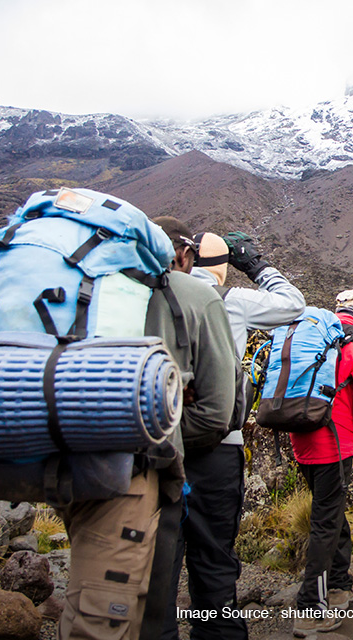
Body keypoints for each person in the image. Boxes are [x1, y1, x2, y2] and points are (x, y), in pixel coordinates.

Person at [59, 218, 236, 640]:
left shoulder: (90, 291)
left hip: (87, 463)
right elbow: (217, 413)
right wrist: (166, 420)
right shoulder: (198, 296)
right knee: (192, 577)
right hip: (167, 466)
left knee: (111, 589)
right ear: (184, 254)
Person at [151, 225, 305, 640]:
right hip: (217, 448)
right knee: (214, 562)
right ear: (221, 266)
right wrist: (256, 266)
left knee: (157, 565)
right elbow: (294, 304)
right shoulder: (230, 300)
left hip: (155, 444)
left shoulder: (145, 296)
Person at [289, 289, 353, 638]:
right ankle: (310, 608)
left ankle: (339, 583)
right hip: (334, 443)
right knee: (325, 523)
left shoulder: (308, 339)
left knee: (330, 511)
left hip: (300, 438)